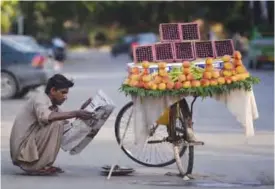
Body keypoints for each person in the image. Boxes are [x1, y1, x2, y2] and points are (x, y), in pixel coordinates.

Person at [10, 74, 94, 175]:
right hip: (22, 150)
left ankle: (43, 164)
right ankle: (37, 166)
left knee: (59, 123)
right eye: (63, 93)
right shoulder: (40, 99)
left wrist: (82, 111)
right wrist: (76, 113)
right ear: (53, 90)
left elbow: (67, 128)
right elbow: (47, 117)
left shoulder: (53, 107)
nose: (65, 97)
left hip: (29, 146)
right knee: (57, 123)